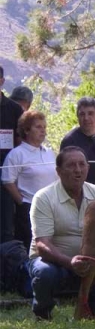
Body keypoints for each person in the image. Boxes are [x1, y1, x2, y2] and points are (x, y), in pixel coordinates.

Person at [27, 146, 95, 320]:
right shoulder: (43, 197)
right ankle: (42, 312)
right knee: (44, 273)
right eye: (71, 165)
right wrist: (70, 262)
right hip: (54, 262)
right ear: (59, 171)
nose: (78, 170)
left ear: (88, 168)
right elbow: (42, 244)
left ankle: (93, 307)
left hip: (92, 263)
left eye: (82, 164)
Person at [2, 111, 58, 249]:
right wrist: (22, 202)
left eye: (44, 127)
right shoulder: (17, 154)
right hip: (29, 209)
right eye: (38, 127)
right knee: (32, 248)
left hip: (53, 208)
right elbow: (7, 180)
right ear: (26, 130)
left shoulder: (50, 153)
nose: (43, 131)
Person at [60, 97, 95, 190]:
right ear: (77, 117)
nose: (86, 118)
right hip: (82, 192)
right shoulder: (69, 141)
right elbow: (64, 171)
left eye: (90, 113)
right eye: (82, 114)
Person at [0, 65, 24, 244]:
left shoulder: (14, 110)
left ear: (2, 81)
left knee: (7, 225)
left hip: (7, 177)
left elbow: (21, 141)